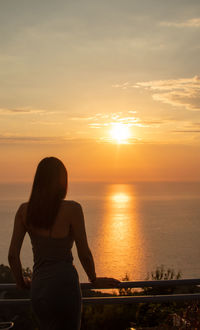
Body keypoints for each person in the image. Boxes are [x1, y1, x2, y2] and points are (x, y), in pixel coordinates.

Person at [8, 157, 119, 330]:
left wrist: (21, 282)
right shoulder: (73, 209)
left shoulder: (24, 211)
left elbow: (12, 255)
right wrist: (93, 279)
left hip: (40, 287)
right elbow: (84, 253)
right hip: (66, 285)